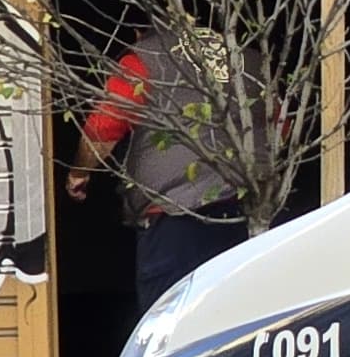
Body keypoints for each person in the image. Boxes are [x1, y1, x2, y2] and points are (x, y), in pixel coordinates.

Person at [66, 23, 257, 321]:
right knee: (235, 321)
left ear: (140, 31)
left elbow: (105, 126)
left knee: (170, 325)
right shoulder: (250, 58)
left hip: (175, 221)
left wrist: (79, 173)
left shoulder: (145, 59)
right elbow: (280, 126)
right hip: (246, 218)